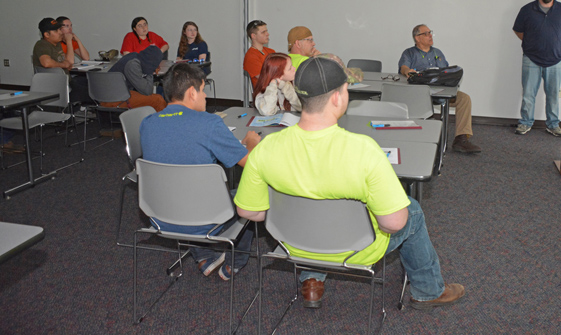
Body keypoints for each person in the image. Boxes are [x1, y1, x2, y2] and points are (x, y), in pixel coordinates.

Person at [235, 54, 465, 311]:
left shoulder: (266, 149)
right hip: (357, 248)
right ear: (337, 97)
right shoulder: (365, 150)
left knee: (311, 207)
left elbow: (248, 211)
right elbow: (393, 223)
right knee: (411, 211)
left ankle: (312, 278)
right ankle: (429, 291)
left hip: (293, 244)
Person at [140, 63, 261, 280]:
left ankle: (204, 256)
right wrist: (252, 142)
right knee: (247, 197)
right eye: (203, 90)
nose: (205, 96)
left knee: (186, 186)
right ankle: (234, 263)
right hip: (207, 218)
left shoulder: (147, 123)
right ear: (192, 93)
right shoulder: (210, 123)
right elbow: (251, 164)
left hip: (159, 215)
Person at [398, 25, 480, 154]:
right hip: (421, 94)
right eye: (426, 33)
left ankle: (461, 139)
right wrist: (408, 71)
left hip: (442, 92)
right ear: (417, 38)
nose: (430, 35)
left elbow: (446, 71)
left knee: (464, 99)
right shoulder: (409, 53)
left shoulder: (438, 53)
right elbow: (403, 67)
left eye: (430, 32)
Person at [513, 0, 561, 137]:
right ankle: (525, 123)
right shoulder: (527, 10)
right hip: (531, 59)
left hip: (555, 60)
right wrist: (532, 43)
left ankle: (553, 125)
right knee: (528, 94)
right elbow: (519, 31)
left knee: (553, 95)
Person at [31, 17, 90, 103]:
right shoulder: (42, 45)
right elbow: (46, 63)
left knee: (92, 84)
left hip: (66, 81)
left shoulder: (57, 44)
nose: (60, 32)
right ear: (47, 35)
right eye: (56, 31)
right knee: (95, 91)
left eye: (59, 29)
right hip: (55, 84)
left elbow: (69, 62)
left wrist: (69, 42)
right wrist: (64, 65)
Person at [103, 45, 167, 112]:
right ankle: (164, 122)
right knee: (158, 100)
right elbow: (148, 91)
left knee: (148, 98)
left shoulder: (134, 57)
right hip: (112, 100)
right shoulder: (133, 65)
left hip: (114, 94)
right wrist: (150, 71)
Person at [243, 20, 275, 89]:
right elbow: (264, 78)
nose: (267, 34)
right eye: (263, 32)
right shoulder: (251, 56)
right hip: (264, 94)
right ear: (253, 36)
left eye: (266, 31)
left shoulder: (271, 51)